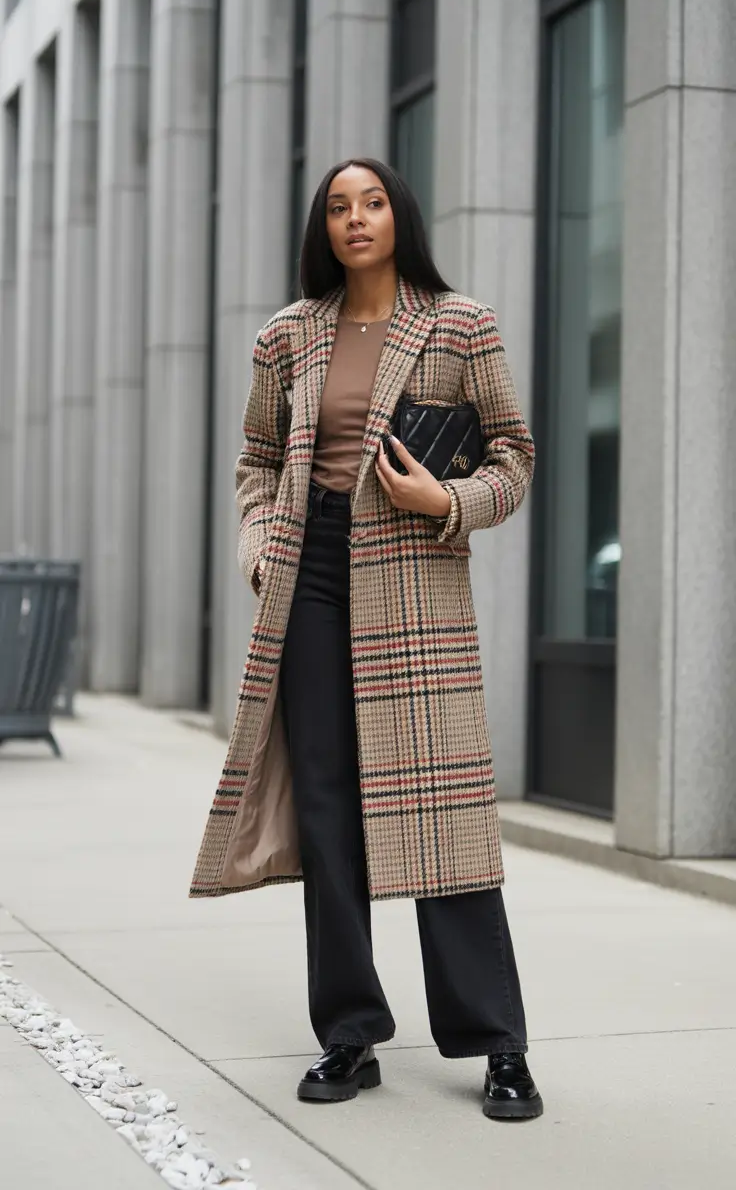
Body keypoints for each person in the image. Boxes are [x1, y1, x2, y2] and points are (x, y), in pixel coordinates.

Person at [190, 158, 542, 1121]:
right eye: (339, 207)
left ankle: (498, 1046)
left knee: (444, 815)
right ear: (323, 226)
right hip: (308, 579)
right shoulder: (287, 337)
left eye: (373, 202)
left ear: (400, 215)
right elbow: (257, 461)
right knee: (331, 815)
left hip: (418, 584)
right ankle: (350, 1035)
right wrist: (262, 549)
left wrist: (449, 500)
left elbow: (515, 456)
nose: (357, 219)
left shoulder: (459, 322)